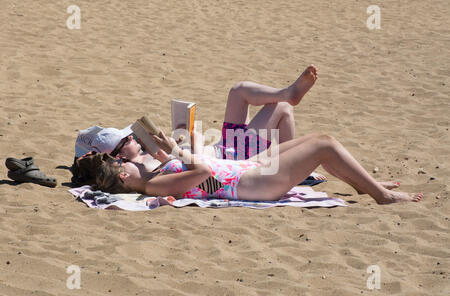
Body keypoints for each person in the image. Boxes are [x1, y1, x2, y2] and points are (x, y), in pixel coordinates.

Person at [91, 65, 327, 179]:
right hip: (233, 157)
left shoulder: (144, 156)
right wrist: (186, 142)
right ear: (119, 155)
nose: (132, 138)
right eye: (126, 140)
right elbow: (196, 168)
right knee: (282, 109)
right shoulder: (142, 168)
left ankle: (287, 92)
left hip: (224, 146)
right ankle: (297, 170)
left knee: (238, 90)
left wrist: (181, 136)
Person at [95, 129, 423, 205]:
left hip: (248, 168)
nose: (126, 160)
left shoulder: (153, 175)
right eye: (122, 164)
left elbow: (186, 171)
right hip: (255, 183)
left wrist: (169, 148)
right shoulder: (153, 186)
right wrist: (183, 150)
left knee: (317, 139)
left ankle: (363, 184)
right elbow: (203, 174)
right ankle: (381, 196)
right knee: (323, 146)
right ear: (125, 176)